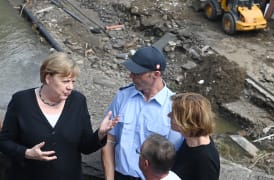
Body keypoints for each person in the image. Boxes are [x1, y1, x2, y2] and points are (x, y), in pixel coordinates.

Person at [0, 52, 118, 180]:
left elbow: (85, 147)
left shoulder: (78, 101)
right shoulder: (21, 101)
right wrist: (26, 153)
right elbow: (4, 142)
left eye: (73, 81)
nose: (70, 87)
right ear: (48, 78)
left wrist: (100, 134)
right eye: (65, 81)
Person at [101, 46, 183, 180]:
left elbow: (173, 156)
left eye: (137, 73)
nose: (131, 76)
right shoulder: (123, 96)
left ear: (156, 74)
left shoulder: (173, 107)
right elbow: (109, 140)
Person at [169, 92, 220, 180]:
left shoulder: (205, 160)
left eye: (174, 113)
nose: (169, 115)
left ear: (186, 120)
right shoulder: (189, 142)